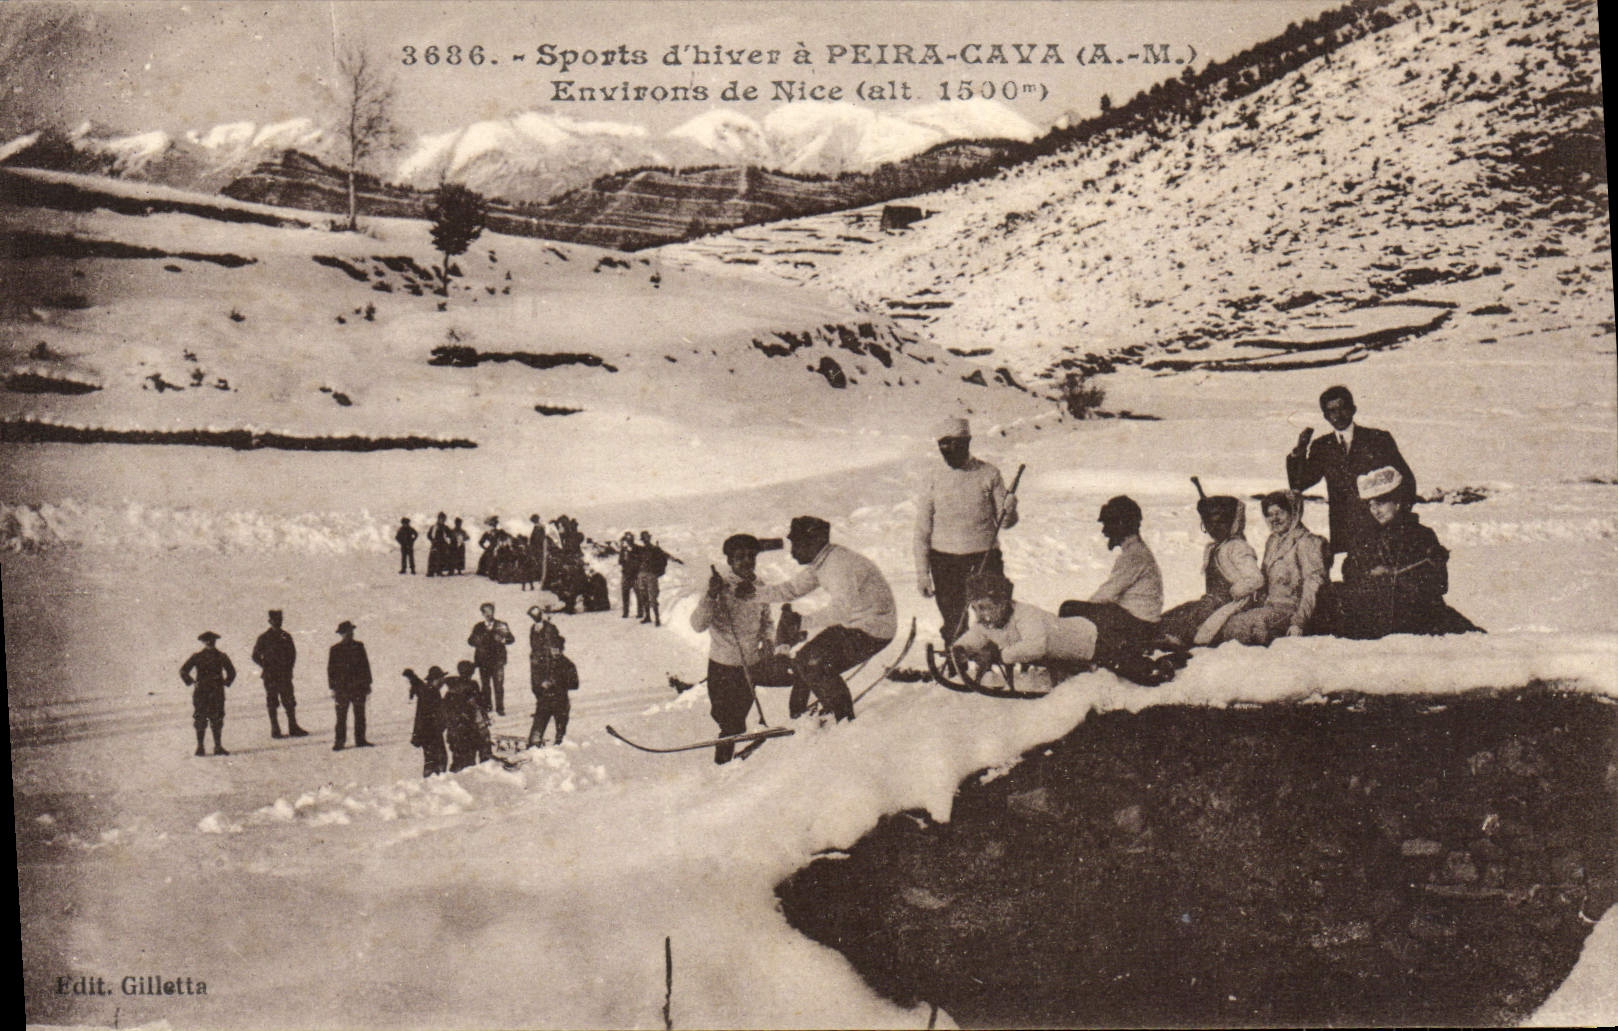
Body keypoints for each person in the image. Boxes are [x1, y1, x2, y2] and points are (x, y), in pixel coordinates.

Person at [743, 516, 896, 722]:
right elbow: (792, 589)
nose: (792, 552)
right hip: (856, 623)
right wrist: (754, 594)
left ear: (814, 542)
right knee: (804, 660)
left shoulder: (838, 566)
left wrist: (801, 623)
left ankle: (843, 718)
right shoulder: (822, 562)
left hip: (874, 628)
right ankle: (801, 713)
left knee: (815, 664)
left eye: (796, 544)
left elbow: (841, 610)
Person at [1315, 467, 1480, 639]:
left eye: (1380, 503)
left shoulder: (1421, 535)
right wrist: (1369, 575)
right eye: (1370, 505)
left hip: (1412, 611)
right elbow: (1350, 570)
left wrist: (1395, 578)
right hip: (1374, 608)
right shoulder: (1365, 537)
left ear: (1398, 502)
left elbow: (1439, 584)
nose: (1375, 510)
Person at [913, 415, 1018, 645]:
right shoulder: (932, 478)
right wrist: (922, 573)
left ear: (967, 443)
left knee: (995, 618)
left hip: (984, 557)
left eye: (956, 446)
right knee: (954, 621)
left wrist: (1010, 508)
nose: (950, 452)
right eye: (944, 446)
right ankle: (956, 663)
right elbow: (922, 530)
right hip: (944, 562)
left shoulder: (988, 474)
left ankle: (995, 663)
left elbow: (1006, 522)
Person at [1286, 386, 1416, 572]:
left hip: (1382, 530)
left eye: (1342, 408)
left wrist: (1398, 518)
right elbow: (1299, 483)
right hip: (1346, 532)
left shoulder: (1378, 439)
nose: (1337, 415)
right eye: (1331, 411)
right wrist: (1299, 451)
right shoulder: (1322, 446)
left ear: (1353, 409)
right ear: (1325, 416)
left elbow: (1406, 481)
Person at [694, 534, 794, 763]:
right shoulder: (718, 586)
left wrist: (768, 640)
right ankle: (722, 765)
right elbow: (697, 625)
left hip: (750, 664)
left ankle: (729, 766)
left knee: (737, 721)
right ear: (729, 560)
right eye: (740, 557)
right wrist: (711, 595)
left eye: (751, 556)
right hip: (723, 667)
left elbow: (767, 621)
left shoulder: (759, 586)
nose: (747, 561)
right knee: (729, 723)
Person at [1059, 496, 1164, 665]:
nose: (1104, 531)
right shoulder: (1137, 552)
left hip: (1139, 626)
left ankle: (1072, 659)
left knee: (1069, 608)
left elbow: (1106, 594)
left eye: (1107, 524)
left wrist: (1079, 616)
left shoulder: (1134, 556)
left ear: (1121, 524)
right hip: (1140, 621)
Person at [1223, 491, 1330, 645]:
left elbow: (1313, 585)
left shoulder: (1307, 542)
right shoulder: (1273, 541)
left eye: (1279, 513)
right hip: (1271, 607)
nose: (1274, 519)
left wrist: (1299, 622)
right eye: (1269, 515)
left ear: (1293, 512)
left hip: (1293, 612)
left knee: (1247, 627)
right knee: (1232, 623)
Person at [1157, 495, 1264, 648]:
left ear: (1233, 522)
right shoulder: (1215, 547)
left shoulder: (1238, 547)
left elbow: (1256, 579)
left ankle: (1175, 642)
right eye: (1209, 523)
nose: (1214, 528)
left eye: (1221, 523)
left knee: (1193, 620)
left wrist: (1238, 589)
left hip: (1231, 602)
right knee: (1181, 611)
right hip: (1212, 600)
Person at [953, 572, 1097, 682]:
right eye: (975, 608)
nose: (979, 614)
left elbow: (1036, 646)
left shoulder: (1026, 615)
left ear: (1002, 604)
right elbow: (976, 634)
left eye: (984, 607)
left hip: (1087, 639)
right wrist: (961, 647)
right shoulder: (988, 621)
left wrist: (999, 655)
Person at [525, 606, 580, 747]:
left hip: (560, 700)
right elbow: (535, 680)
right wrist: (540, 687)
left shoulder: (568, 664)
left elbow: (574, 684)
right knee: (536, 731)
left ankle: (559, 745)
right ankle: (533, 746)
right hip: (544, 700)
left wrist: (556, 683)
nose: (555, 652)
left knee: (561, 732)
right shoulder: (542, 665)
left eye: (557, 649)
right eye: (552, 649)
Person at [251, 609, 308, 738]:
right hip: (270, 675)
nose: (278, 622)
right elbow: (255, 655)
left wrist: (289, 668)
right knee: (272, 702)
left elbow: (293, 654)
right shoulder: (264, 637)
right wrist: (266, 666)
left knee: (289, 701)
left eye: (280, 620)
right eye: (275, 620)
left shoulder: (286, 636)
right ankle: (275, 729)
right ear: (270, 621)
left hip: (284, 675)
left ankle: (293, 727)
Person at [180, 631, 235, 757]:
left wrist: (226, 682)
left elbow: (232, 672)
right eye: (207, 640)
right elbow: (183, 671)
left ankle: (217, 746)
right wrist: (192, 682)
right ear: (203, 642)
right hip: (202, 692)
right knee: (200, 719)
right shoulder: (197, 656)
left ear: (215, 641)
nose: (210, 642)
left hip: (216, 692)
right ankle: (200, 747)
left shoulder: (221, 656)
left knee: (217, 719)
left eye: (212, 640)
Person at [328, 620, 373, 750]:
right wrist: (333, 688)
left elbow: (365, 666)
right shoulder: (335, 650)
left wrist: (368, 683)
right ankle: (339, 742)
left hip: (358, 687)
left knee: (360, 715)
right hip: (342, 689)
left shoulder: (359, 646)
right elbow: (331, 671)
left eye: (351, 631)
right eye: (347, 632)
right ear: (341, 634)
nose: (350, 634)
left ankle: (360, 739)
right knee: (341, 717)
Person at [443, 659, 493, 771]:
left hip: (454, 733)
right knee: (471, 764)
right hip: (470, 732)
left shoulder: (450, 691)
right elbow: (479, 709)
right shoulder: (472, 687)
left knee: (459, 762)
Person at [468, 602, 515, 715]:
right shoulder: (478, 627)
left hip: (498, 661)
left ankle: (500, 708)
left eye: (490, 611)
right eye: (485, 611)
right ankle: (488, 707)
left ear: (493, 611)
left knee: (498, 685)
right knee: (485, 686)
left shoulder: (501, 625)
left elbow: (511, 639)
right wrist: (477, 641)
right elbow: (470, 641)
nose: (488, 614)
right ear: (482, 613)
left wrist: (503, 640)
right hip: (483, 661)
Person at [404, 666, 448, 776]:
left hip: (427, 732)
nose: (443, 682)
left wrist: (412, 677)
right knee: (438, 759)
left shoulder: (427, 690)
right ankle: (434, 781)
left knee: (432, 759)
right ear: (436, 679)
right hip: (430, 732)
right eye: (441, 679)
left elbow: (418, 685)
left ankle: (432, 780)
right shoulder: (431, 692)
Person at [635, 531, 676, 626]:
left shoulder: (655, 549)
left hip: (651, 575)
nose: (645, 540)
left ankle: (657, 618)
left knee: (652, 597)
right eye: (644, 539)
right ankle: (648, 616)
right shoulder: (641, 550)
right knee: (644, 595)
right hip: (642, 574)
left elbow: (663, 561)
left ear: (649, 539)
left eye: (646, 538)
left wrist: (658, 573)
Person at [618, 532, 641, 618]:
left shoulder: (637, 549)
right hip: (626, 574)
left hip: (635, 574)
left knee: (638, 593)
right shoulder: (623, 550)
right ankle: (625, 612)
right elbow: (620, 561)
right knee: (625, 593)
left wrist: (631, 553)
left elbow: (639, 560)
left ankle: (640, 612)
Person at [426, 512, 452, 577]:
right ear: (438, 519)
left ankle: (439, 571)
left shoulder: (445, 527)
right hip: (435, 544)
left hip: (443, 544)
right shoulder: (434, 527)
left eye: (444, 519)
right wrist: (432, 540)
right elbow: (429, 535)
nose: (443, 520)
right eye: (442, 519)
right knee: (433, 558)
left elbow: (450, 534)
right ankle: (431, 572)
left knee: (441, 558)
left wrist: (449, 538)